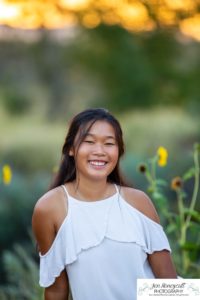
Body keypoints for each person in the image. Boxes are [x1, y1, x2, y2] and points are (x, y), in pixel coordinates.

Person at [32, 108, 177, 300]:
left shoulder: (138, 202)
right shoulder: (50, 208)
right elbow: (57, 290)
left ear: (119, 151)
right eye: (89, 142)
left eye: (109, 143)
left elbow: (168, 284)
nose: (99, 151)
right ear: (71, 149)